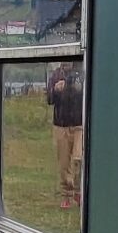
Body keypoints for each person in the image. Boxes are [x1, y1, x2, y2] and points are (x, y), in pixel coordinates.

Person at [46, 62, 84, 208]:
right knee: (63, 163)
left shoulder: (82, 73)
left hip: (79, 124)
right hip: (60, 125)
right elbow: (49, 99)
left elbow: (88, 94)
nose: (67, 62)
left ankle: (79, 191)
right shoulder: (55, 75)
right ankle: (66, 194)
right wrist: (55, 90)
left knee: (78, 158)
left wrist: (75, 89)